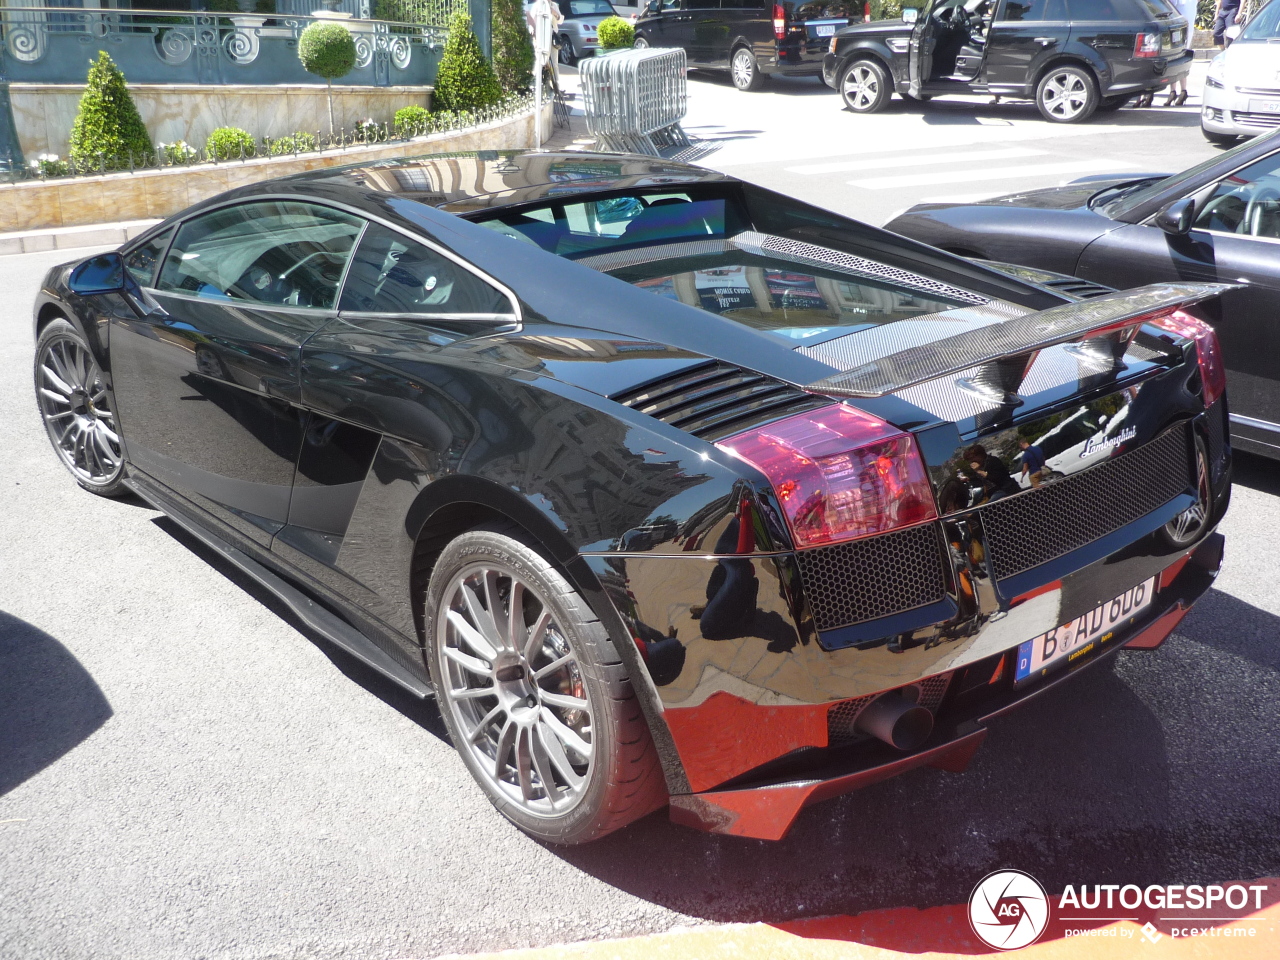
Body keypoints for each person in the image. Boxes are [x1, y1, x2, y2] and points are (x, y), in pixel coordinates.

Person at [1164, 0, 1195, 106]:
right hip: (1188, 26)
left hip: (1178, 26)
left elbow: (1170, 6)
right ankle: (1183, 90)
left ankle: (1173, 91)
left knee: (1175, 58)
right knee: (1182, 57)